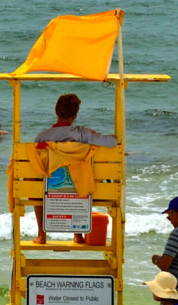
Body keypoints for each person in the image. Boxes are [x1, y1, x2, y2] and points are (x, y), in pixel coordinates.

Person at [31, 92, 118, 243]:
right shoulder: (83, 134)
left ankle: (41, 235)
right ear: (75, 115)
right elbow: (112, 143)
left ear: (56, 112)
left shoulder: (42, 137)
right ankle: (78, 234)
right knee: (81, 178)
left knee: (35, 187)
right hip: (82, 188)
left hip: (48, 189)